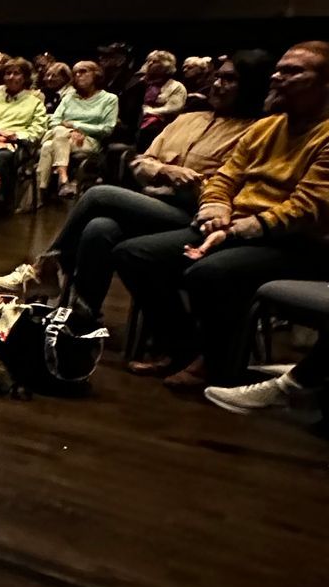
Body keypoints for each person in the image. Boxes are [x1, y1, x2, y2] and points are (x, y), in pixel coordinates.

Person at [113, 39, 329, 390]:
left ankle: (216, 364)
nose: (277, 77)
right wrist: (216, 209)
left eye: (292, 71)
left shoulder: (324, 135)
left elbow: (309, 207)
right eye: (278, 69)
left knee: (209, 273)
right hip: (233, 226)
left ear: (325, 84)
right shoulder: (266, 128)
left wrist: (236, 229)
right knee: (134, 253)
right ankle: (185, 348)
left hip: (297, 242)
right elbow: (225, 178)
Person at [40, 53, 267, 322]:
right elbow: (141, 162)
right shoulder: (188, 119)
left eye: (230, 79)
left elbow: (233, 187)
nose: (218, 84)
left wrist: (189, 181)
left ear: (251, 85)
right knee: (99, 228)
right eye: (217, 77)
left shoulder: (257, 131)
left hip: (197, 216)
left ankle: (46, 266)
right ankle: (83, 315)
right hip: (154, 206)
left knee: (98, 194)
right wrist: (163, 170)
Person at [38, 58, 120, 199]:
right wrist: (71, 131)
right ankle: (61, 182)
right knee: (51, 141)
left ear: (96, 74)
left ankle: (44, 191)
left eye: (83, 71)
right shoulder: (69, 98)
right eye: (75, 73)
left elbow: (107, 129)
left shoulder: (109, 99)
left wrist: (77, 126)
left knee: (50, 143)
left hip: (88, 141)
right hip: (63, 138)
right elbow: (54, 121)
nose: (78, 76)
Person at [0, 56, 49, 216]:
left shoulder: (34, 102)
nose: (11, 77)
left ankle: (1, 200)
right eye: (8, 73)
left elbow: (38, 129)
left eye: (16, 73)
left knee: (3, 156)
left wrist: (13, 136)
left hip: (16, 144)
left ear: (24, 77)